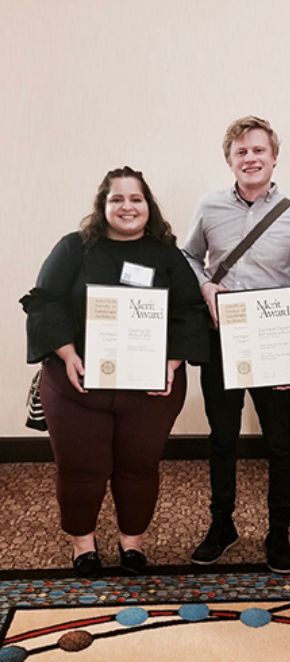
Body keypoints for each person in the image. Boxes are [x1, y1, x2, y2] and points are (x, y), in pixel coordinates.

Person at [20, 166, 209, 577]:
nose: (127, 206)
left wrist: (172, 363)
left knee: (139, 466)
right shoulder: (74, 249)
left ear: (148, 206)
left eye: (135, 198)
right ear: (103, 205)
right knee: (80, 468)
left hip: (149, 391)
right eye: (117, 198)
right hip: (77, 386)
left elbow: (190, 311)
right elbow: (45, 302)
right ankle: (83, 545)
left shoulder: (166, 255)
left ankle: (132, 544)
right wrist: (68, 355)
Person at [183, 116, 290, 573]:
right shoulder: (209, 206)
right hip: (221, 339)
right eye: (241, 152)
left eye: (258, 150)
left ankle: (278, 534)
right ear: (230, 160)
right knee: (222, 438)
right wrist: (205, 286)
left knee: (279, 443)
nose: (250, 158)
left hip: (272, 343)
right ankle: (221, 525)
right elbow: (187, 256)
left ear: (274, 157)